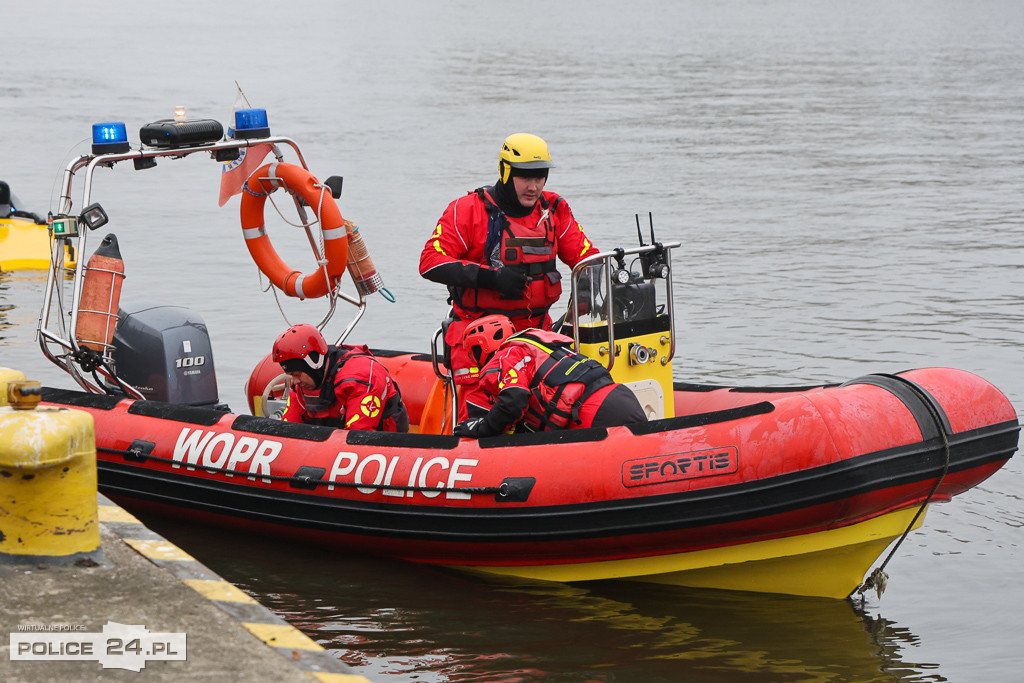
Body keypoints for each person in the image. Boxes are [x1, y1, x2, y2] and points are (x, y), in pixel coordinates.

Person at [419, 133, 599, 418]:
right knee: (480, 419)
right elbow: (430, 262)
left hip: (538, 337)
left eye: (540, 177)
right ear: (505, 171)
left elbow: (587, 258)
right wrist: (492, 277)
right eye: (525, 177)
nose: (534, 186)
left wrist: (590, 287)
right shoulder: (468, 211)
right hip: (478, 342)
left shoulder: (553, 211)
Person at [453, 315, 648, 438]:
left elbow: (513, 401)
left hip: (593, 414)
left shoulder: (505, 355)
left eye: (474, 352)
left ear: (482, 345)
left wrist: (483, 428)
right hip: (622, 396)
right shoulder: (539, 343)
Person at [272, 324, 409, 432]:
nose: (295, 381)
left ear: (314, 363)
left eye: (297, 374)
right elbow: (288, 428)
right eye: (291, 375)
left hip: (382, 450)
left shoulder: (361, 377)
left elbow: (359, 436)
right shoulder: (302, 386)